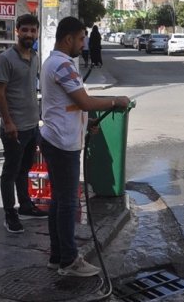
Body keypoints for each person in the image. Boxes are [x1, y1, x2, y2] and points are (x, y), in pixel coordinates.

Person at [40, 16, 130, 277]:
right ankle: (69, 261)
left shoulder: (56, 62)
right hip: (62, 143)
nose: (83, 43)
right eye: (80, 38)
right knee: (67, 202)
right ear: (68, 39)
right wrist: (115, 101)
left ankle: (57, 257)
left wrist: (86, 121)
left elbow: (66, 104)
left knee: (59, 200)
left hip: (57, 138)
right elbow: (84, 102)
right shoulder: (62, 65)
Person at [0, 14, 48, 233]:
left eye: (33, 31)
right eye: (24, 30)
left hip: (31, 126)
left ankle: (25, 206)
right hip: (14, 127)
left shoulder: (34, 57)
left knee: (25, 169)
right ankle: (10, 213)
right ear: (17, 31)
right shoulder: (6, 58)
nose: (29, 34)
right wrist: (8, 122)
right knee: (10, 171)